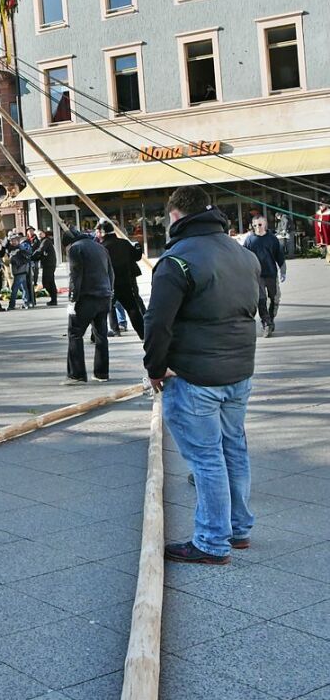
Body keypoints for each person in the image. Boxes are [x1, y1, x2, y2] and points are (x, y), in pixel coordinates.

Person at [143, 185, 260, 565]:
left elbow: (157, 323)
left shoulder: (176, 260)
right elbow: (251, 308)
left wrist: (156, 369)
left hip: (195, 375)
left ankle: (211, 541)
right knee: (234, 449)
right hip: (239, 371)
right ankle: (239, 528)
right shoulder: (243, 254)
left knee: (207, 459)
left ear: (175, 215)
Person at [62, 227, 114, 385]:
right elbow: (111, 272)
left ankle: (76, 374)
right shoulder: (100, 247)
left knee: (75, 333)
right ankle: (102, 373)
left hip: (86, 297)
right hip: (104, 296)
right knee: (101, 336)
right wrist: (110, 291)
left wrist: (72, 299)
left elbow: (76, 275)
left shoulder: (75, 249)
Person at [95, 219, 145, 339]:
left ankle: (98, 335)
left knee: (103, 311)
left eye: (97, 232)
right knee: (132, 308)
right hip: (126, 281)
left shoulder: (101, 248)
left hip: (109, 284)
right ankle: (143, 334)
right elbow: (136, 257)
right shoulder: (124, 243)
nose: (95, 234)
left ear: (102, 233)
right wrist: (138, 247)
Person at [243, 216, 286, 337]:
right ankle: (266, 323)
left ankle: (270, 319)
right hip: (257, 275)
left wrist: (283, 270)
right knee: (261, 300)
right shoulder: (250, 240)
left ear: (265, 225)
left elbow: (279, 255)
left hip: (271, 273)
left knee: (274, 299)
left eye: (260, 225)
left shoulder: (272, 239)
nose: (257, 228)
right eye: (255, 225)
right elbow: (245, 256)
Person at [33, 230, 58, 305]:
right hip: (48, 264)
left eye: (41, 234)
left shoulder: (46, 241)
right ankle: (54, 299)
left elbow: (40, 250)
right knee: (50, 282)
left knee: (47, 282)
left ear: (44, 234)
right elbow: (40, 253)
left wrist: (31, 256)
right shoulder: (42, 241)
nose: (39, 235)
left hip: (49, 264)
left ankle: (54, 299)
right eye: (38, 234)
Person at [7, 235, 30, 310]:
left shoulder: (20, 248)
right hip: (19, 270)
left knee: (15, 288)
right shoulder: (11, 249)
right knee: (24, 287)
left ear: (17, 241)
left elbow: (25, 257)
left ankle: (12, 304)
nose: (13, 242)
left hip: (20, 270)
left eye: (14, 240)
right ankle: (26, 302)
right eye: (11, 240)